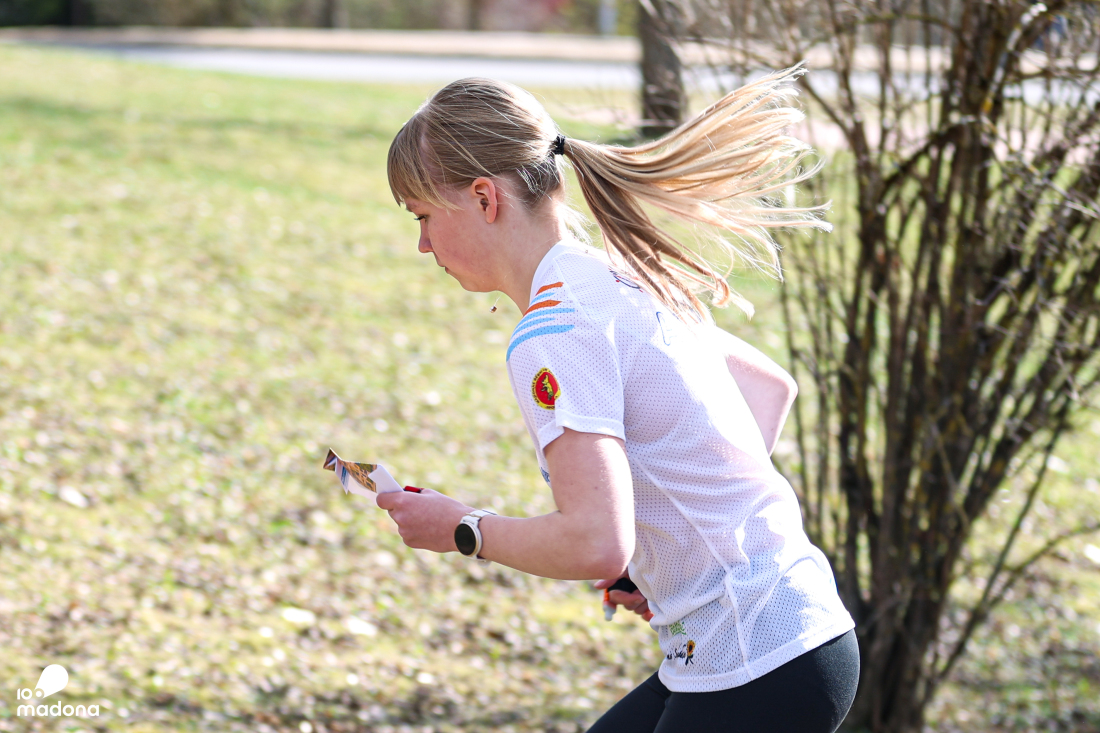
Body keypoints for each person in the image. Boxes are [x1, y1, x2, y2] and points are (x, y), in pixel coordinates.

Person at [375, 68, 859, 733]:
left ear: (485, 198)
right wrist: (666, 551)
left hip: (757, 660)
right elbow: (768, 388)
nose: (423, 243)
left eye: (424, 215)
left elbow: (596, 543)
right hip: (789, 635)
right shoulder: (615, 274)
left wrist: (463, 529)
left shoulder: (553, 331)